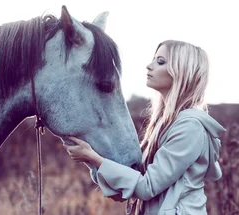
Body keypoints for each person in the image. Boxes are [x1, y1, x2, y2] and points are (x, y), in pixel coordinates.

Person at [64, 40, 225, 215]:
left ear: (182, 72)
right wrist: (91, 159)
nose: (149, 66)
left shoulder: (190, 127)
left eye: (161, 62)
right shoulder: (165, 122)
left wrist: (95, 159)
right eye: (154, 59)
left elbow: (147, 187)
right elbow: (135, 181)